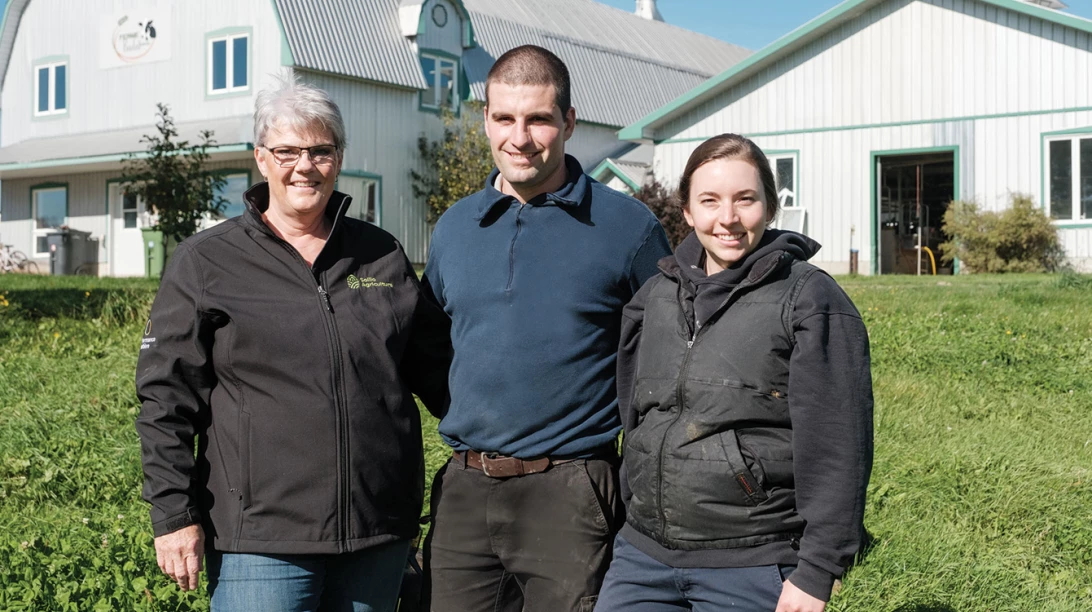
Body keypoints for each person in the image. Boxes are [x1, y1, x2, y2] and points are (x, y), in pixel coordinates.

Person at [135, 76, 451, 611]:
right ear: (261, 158)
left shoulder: (380, 255)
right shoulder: (206, 262)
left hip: (378, 533)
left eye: (320, 151)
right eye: (286, 151)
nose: (304, 166)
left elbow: (439, 372)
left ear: (339, 157)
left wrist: (518, 435)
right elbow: (165, 400)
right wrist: (173, 515)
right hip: (262, 545)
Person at [421, 45, 672, 612]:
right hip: (465, 486)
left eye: (538, 119)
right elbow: (430, 343)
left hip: (572, 487)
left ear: (569, 122)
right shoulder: (455, 228)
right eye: (504, 118)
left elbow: (664, 355)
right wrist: (476, 410)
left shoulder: (625, 227)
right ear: (485, 119)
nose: (520, 137)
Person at [596, 134, 873, 612]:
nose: (727, 218)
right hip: (642, 558)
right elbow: (633, 409)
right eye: (710, 201)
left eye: (745, 199)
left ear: (769, 207)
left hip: (753, 563)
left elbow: (838, 440)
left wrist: (817, 570)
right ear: (686, 210)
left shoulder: (807, 298)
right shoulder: (656, 296)